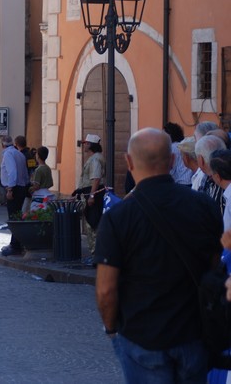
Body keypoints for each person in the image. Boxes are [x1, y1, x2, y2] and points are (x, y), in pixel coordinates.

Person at [95, 128, 222, 383]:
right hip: (193, 333)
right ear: (173, 160)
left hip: (143, 335)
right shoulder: (204, 205)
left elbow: (106, 289)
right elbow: (215, 266)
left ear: (128, 162)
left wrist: (111, 329)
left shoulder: (117, 218)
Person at [73, 133, 105, 255]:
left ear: (91, 145)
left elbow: (96, 178)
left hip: (93, 194)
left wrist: (92, 196)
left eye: (86, 143)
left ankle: (95, 254)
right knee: (93, 223)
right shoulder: (96, 157)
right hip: (90, 192)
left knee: (92, 224)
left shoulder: (95, 159)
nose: (84, 146)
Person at [0, 136, 29, 256]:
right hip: (21, 187)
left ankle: (15, 245)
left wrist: (10, 189)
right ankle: (17, 243)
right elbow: (25, 173)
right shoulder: (20, 154)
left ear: (3, 145)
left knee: (13, 217)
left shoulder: (8, 154)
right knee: (17, 216)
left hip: (14, 188)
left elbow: (12, 172)